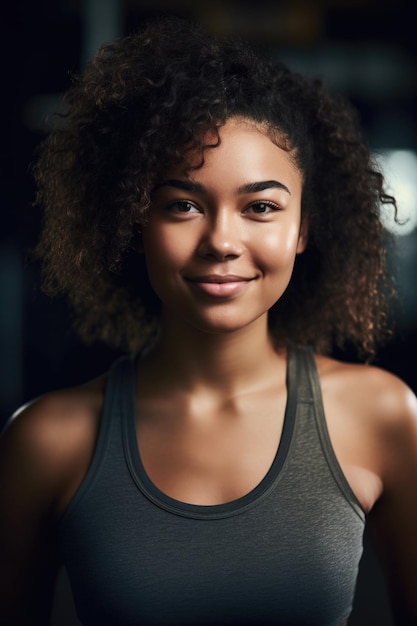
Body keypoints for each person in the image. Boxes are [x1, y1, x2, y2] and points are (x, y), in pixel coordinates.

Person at [1, 16, 416, 626]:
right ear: (134, 222)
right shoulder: (48, 441)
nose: (222, 240)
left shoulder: (384, 417)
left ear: (303, 229)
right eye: (184, 205)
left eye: (261, 207)